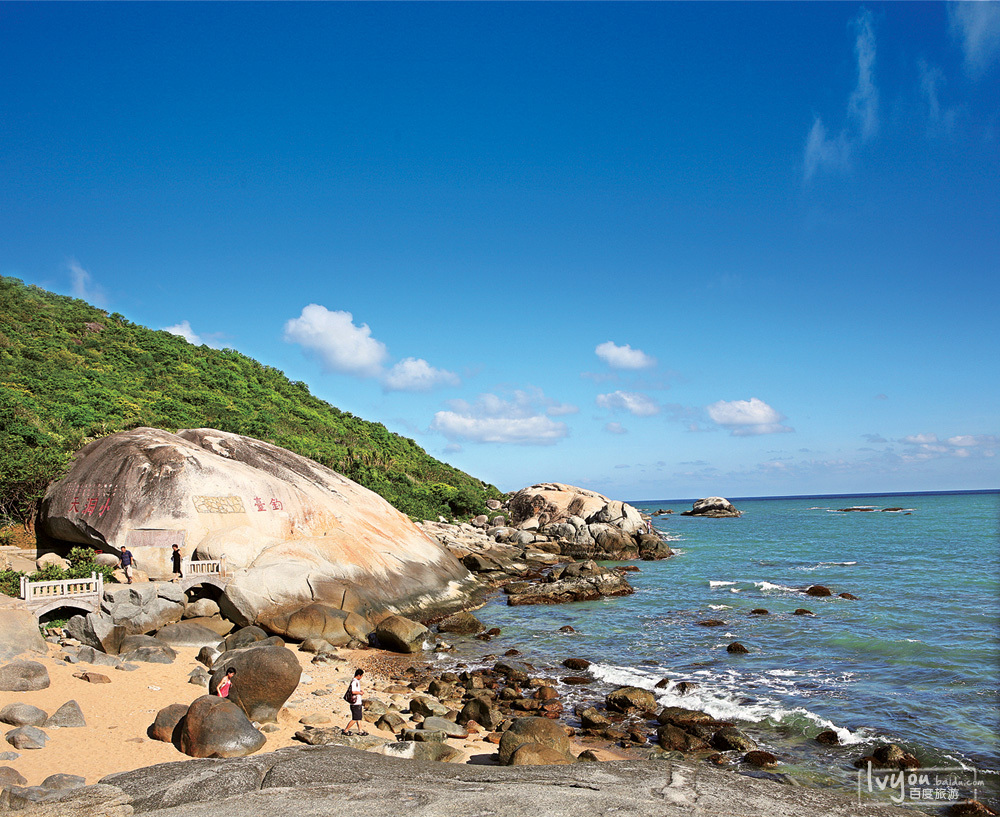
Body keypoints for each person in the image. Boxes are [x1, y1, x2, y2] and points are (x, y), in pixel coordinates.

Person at [344, 669, 368, 736]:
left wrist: (360, 691)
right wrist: (360, 693)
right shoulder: (354, 681)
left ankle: (360, 731)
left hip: (357, 703)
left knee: (359, 718)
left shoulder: (356, 681)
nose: (361, 677)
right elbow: (353, 691)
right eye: (361, 676)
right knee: (355, 718)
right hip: (355, 703)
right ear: (359, 675)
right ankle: (346, 730)